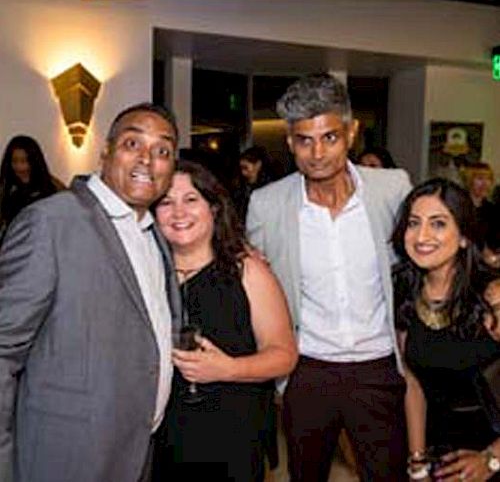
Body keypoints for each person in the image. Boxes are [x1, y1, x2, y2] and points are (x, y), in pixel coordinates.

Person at [0, 103, 182, 482]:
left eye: (163, 150)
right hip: (64, 457)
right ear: (106, 151)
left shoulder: (154, 235)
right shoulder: (50, 222)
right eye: (133, 143)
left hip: (136, 449)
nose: (148, 159)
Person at [246, 72, 412, 481]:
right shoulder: (266, 206)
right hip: (308, 371)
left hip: (378, 367)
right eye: (304, 140)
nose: (317, 153)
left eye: (330, 138)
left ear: (351, 132)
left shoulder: (393, 188)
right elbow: (255, 292)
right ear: (289, 141)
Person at [153, 160, 297, 482]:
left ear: (214, 208)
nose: (178, 213)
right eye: (166, 202)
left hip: (231, 433)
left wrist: (227, 368)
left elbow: (284, 354)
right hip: (162, 435)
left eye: (191, 200)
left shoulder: (247, 271)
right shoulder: (146, 274)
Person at [391, 178, 500, 481]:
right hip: (435, 445)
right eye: (414, 223)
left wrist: (491, 458)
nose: (422, 236)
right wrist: (417, 461)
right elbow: (412, 381)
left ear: (464, 236)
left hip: (489, 441)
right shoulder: (402, 288)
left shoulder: (493, 293)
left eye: (438, 224)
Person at [0, 135, 64, 237]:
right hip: (12, 245)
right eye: (14, 161)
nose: (19, 167)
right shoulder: (5, 187)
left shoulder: (52, 186)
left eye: (24, 161)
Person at [233, 146, 275, 221]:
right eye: (241, 168)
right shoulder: (242, 187)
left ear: (258, 165)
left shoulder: (269, 189)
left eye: (246, 168)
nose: (243, 173)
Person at [462, 162, 497, 247]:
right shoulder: (458, 206)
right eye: (480, 178)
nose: (485, 183)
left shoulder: (492, 210)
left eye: (488, 179)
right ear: (469, 181)